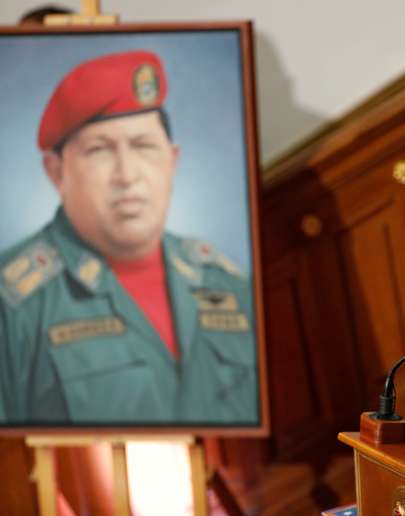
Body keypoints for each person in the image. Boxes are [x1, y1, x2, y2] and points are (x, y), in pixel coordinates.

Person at [0, 50, 258, 425]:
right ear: (56, 172)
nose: (127, 174)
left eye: (143, 147)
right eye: (100, 150)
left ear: (173, 161)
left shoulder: (226, 283)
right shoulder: (13, 305)